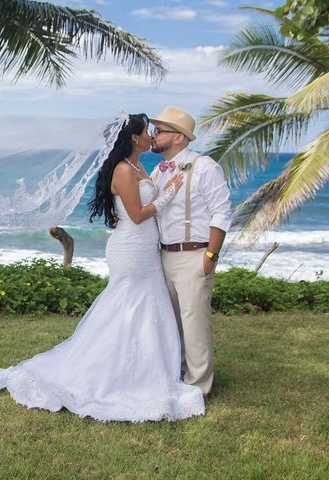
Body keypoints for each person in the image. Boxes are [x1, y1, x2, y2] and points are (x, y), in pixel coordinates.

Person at [0, 113, 205, 422]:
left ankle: (145, 369)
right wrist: (169, 193)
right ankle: (111, 372)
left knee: (147, 306)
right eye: (146, 132)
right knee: (128, 305)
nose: (151, 135)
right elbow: (137, 215)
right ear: (133, 138)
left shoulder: (139, 166)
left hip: (146, 247)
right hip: (131, 247)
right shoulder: (124, 170)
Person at [149, 106, 232, 397]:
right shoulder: (158, 171)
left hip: (194, 255)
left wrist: (210, 256)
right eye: (153, 130)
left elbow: (221, 213)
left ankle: (199, 388)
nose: (153, 135)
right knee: (170, 323)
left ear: (180, 138)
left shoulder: (205, 167)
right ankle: (177, 375)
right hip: (163, 256)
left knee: (195, 323)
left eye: (159, 131)